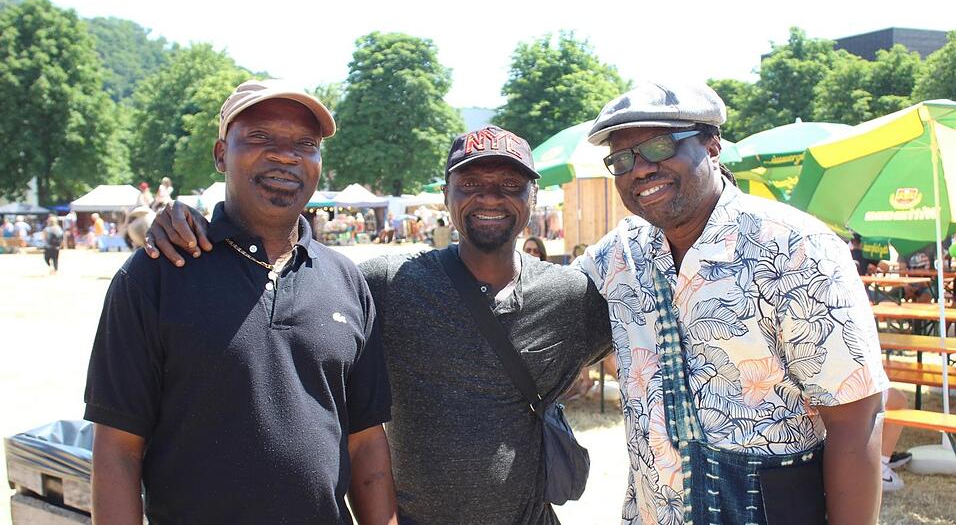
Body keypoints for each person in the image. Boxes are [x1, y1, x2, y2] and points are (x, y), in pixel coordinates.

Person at [144, 124, 613, 524]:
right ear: (446, 195)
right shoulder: (389, 282)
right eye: (470, 184)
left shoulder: (570, 296)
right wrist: (193, 228)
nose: (490, 197)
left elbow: (628, 356)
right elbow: (289, 279)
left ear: (533, 196)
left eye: (510, 185)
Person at [84, 79, 397, 524]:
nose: (286, 155)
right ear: (219, 154)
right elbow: (117, 448)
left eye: (305, 144)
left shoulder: (346, 280)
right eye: (260, 137)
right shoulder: (155, 275)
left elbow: (365, 441)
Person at [574, 81, 888, 524]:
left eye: (660, 146)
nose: (639, 169)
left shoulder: (796, 250)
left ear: (713, 144)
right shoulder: (619, 257)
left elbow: (855, 419)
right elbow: (540, 302)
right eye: (621, 160)